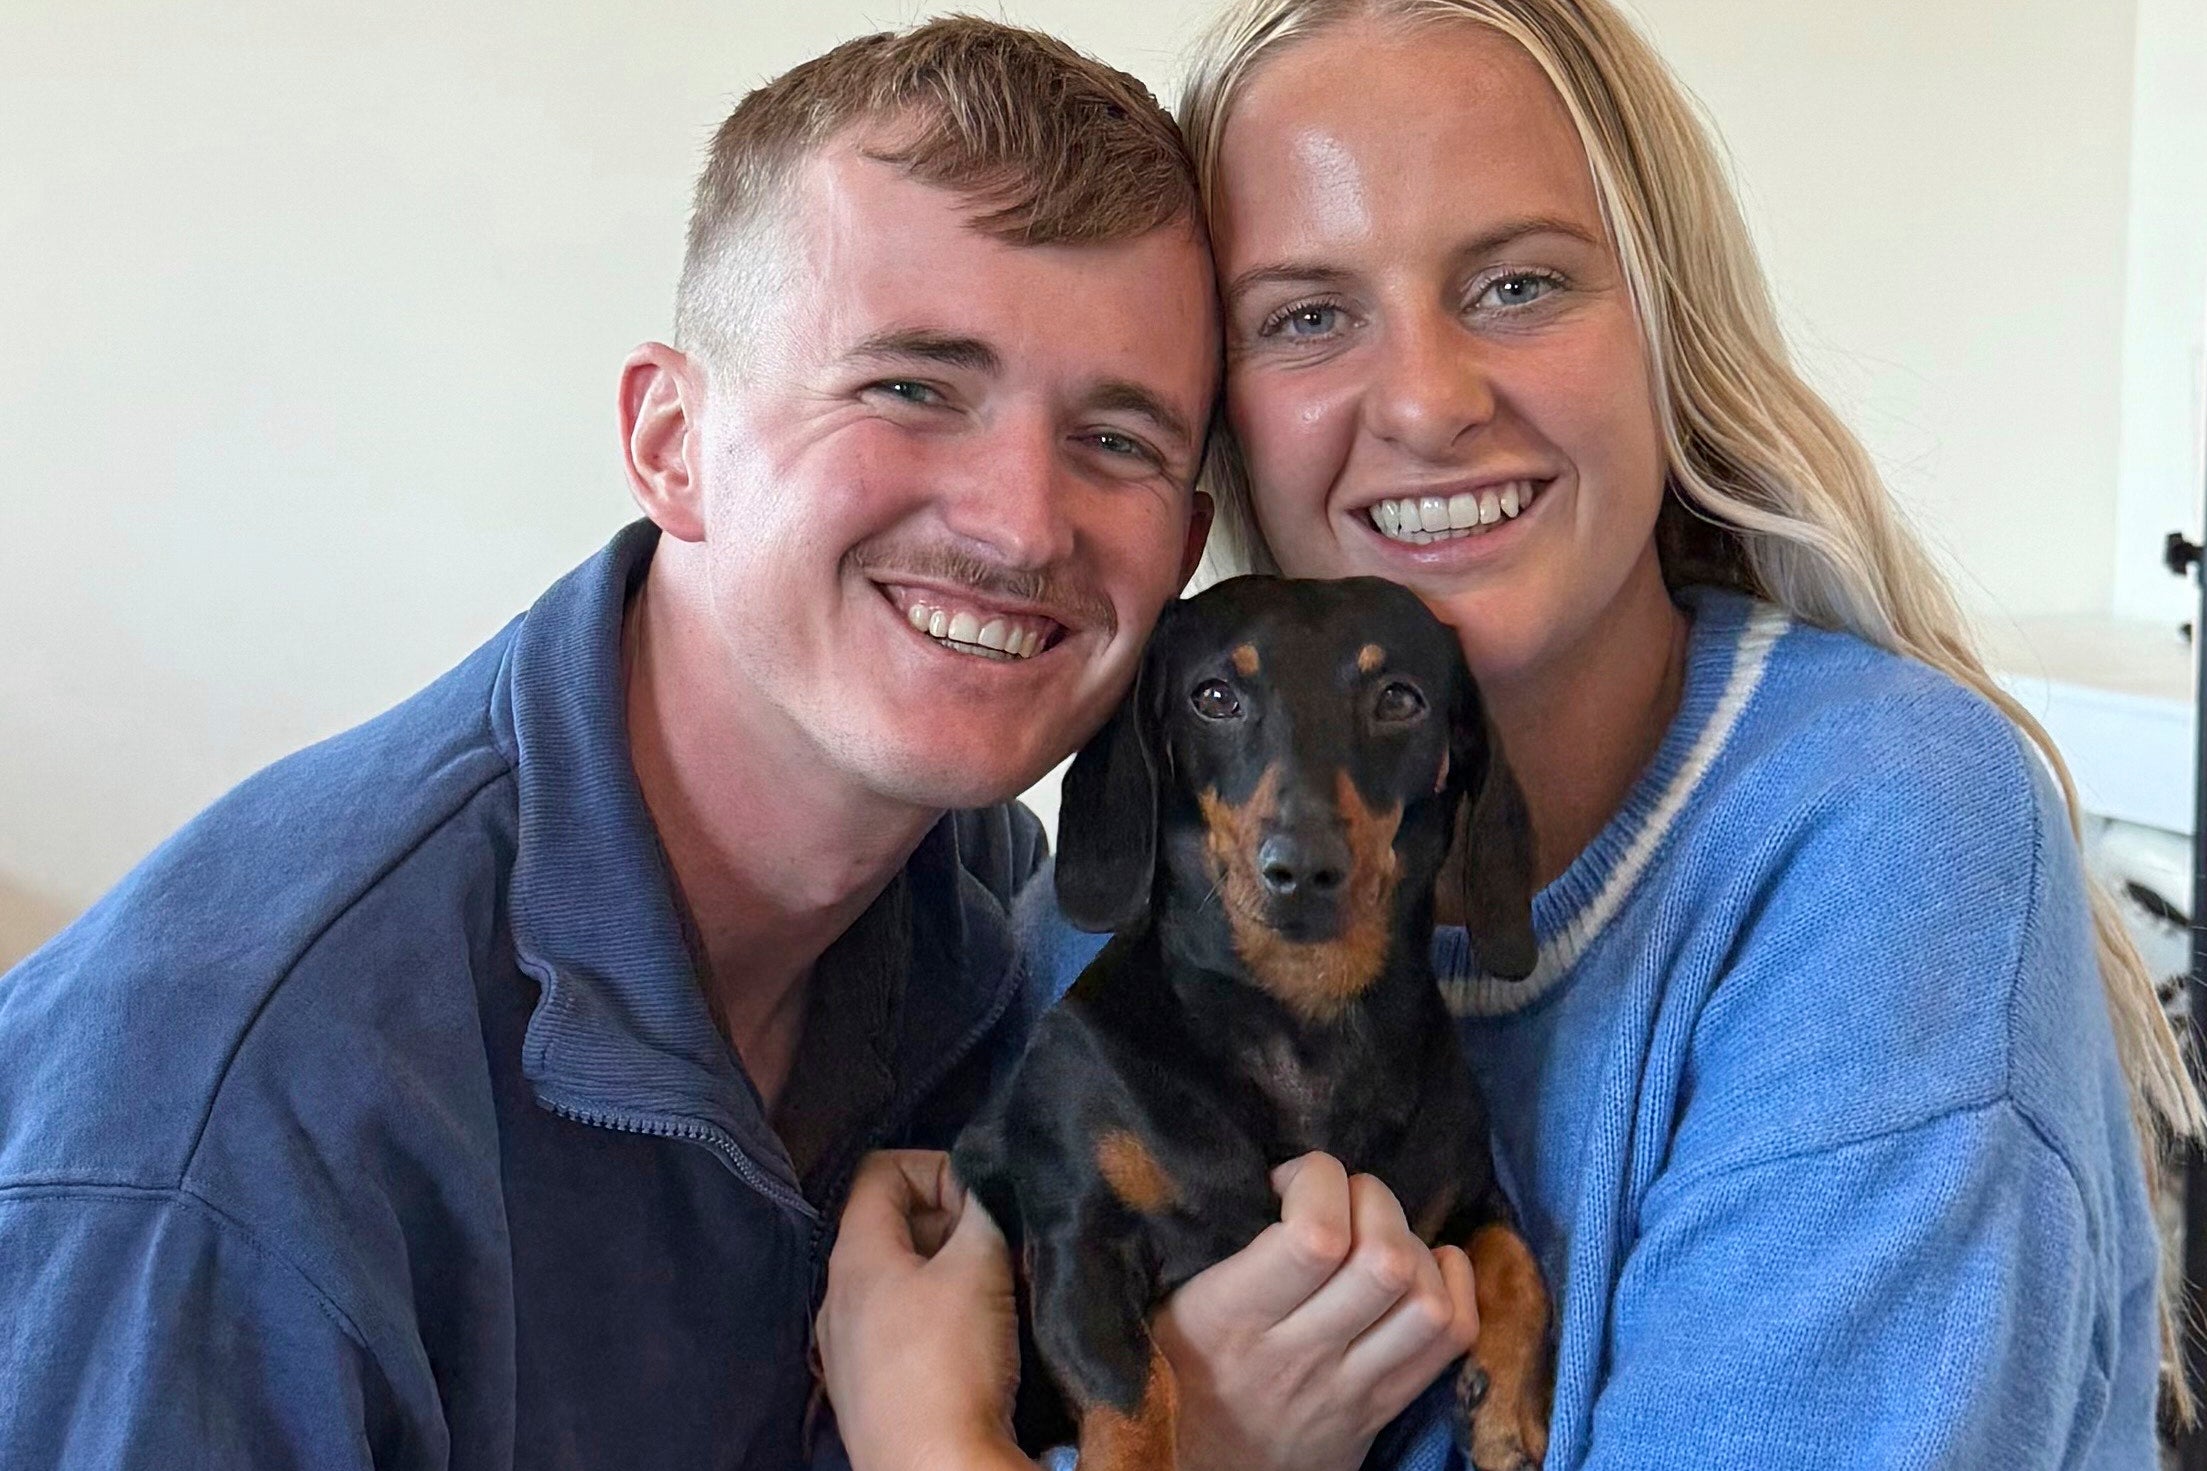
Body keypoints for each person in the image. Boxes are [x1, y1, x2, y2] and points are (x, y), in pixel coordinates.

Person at [0, 19, 1474, 1469]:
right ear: (670, 442)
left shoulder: (999, 911)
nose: (1023, 524)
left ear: (1187, 543)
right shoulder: (221, 1130)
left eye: (1119, 440)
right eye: (911, 388)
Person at [828, 2, 2203, 1468]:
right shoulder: (1126, 899)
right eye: (1305, 316)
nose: (1425, 402)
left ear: (1670, 326)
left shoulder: (1890, 841)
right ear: (1223, 418)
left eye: (1519, 284)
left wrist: (946, 1453)